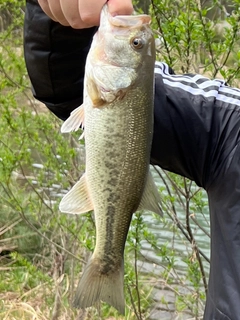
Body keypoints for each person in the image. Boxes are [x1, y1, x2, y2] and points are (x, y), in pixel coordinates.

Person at [24, 1, 240, 319]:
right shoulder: (228, 125)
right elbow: (66, 84)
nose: (135, 39)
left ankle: (105, 264)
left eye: (136, 44)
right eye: (136, 45)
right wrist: (62, 19)